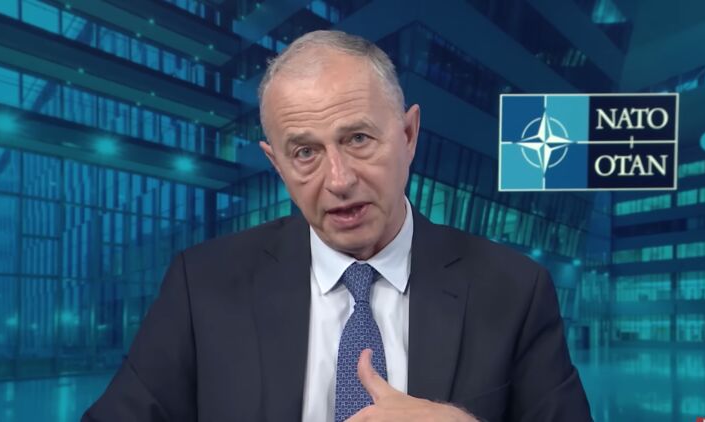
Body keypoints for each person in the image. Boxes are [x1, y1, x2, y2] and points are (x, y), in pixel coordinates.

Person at [83, 30, 592, 422]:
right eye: (305, 152)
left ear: (408, 135)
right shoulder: (203, 284)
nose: (339, 180)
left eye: (358, 140)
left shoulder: (514, 289)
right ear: (277, 164)